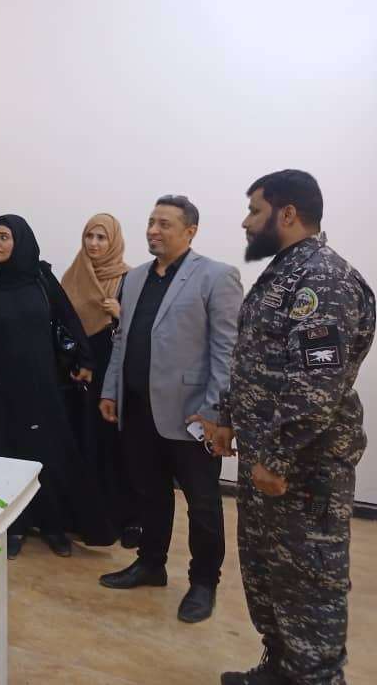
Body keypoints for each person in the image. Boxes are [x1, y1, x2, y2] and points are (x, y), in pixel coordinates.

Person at [212, 171, 374, 685]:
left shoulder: (324, 280)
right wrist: (227, 418)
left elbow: (317, 384)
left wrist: (277, 457)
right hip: (267, 463)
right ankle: (280, 668)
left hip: (303, 470)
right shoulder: (283, 273)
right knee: (268, 575)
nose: (246, 222)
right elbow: (252, 357)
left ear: (287, 214)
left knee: (309, 586)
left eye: (254, 210)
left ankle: (314, 677)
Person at [98, 195, 242, 624]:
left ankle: (204, 583)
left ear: (190, 231)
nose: (153, 230)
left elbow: (227, 352)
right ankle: (150, 564)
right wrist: (111, 389)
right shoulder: (134, 278)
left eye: (164, 224)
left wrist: (214, 412)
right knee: (150, 493)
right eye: (150, 222)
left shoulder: (216, 276)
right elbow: (122, 339)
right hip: (139, 408)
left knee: (203, 503)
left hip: (192, 415)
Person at [0, 214, 114, 558]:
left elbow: (68, 318)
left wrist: (85, 360)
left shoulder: (41, 278)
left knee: (47, 455)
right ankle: (14, 525)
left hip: (42, 387)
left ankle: (53, 525)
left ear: (20, 241)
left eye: (4, 237)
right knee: (5, 456)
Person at [61, 213, 140, 548]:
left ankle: (118, 519)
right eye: (89, 236)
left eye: (101, 237)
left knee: (112, 446)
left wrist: (121, 315)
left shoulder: (130, 279)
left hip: (112, 375)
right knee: (81, 442)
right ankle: (81, 517)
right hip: (77, 372)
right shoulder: (72, 275)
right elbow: (60, 324)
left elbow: (144, 331)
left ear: (114, 241)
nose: (94, 244)